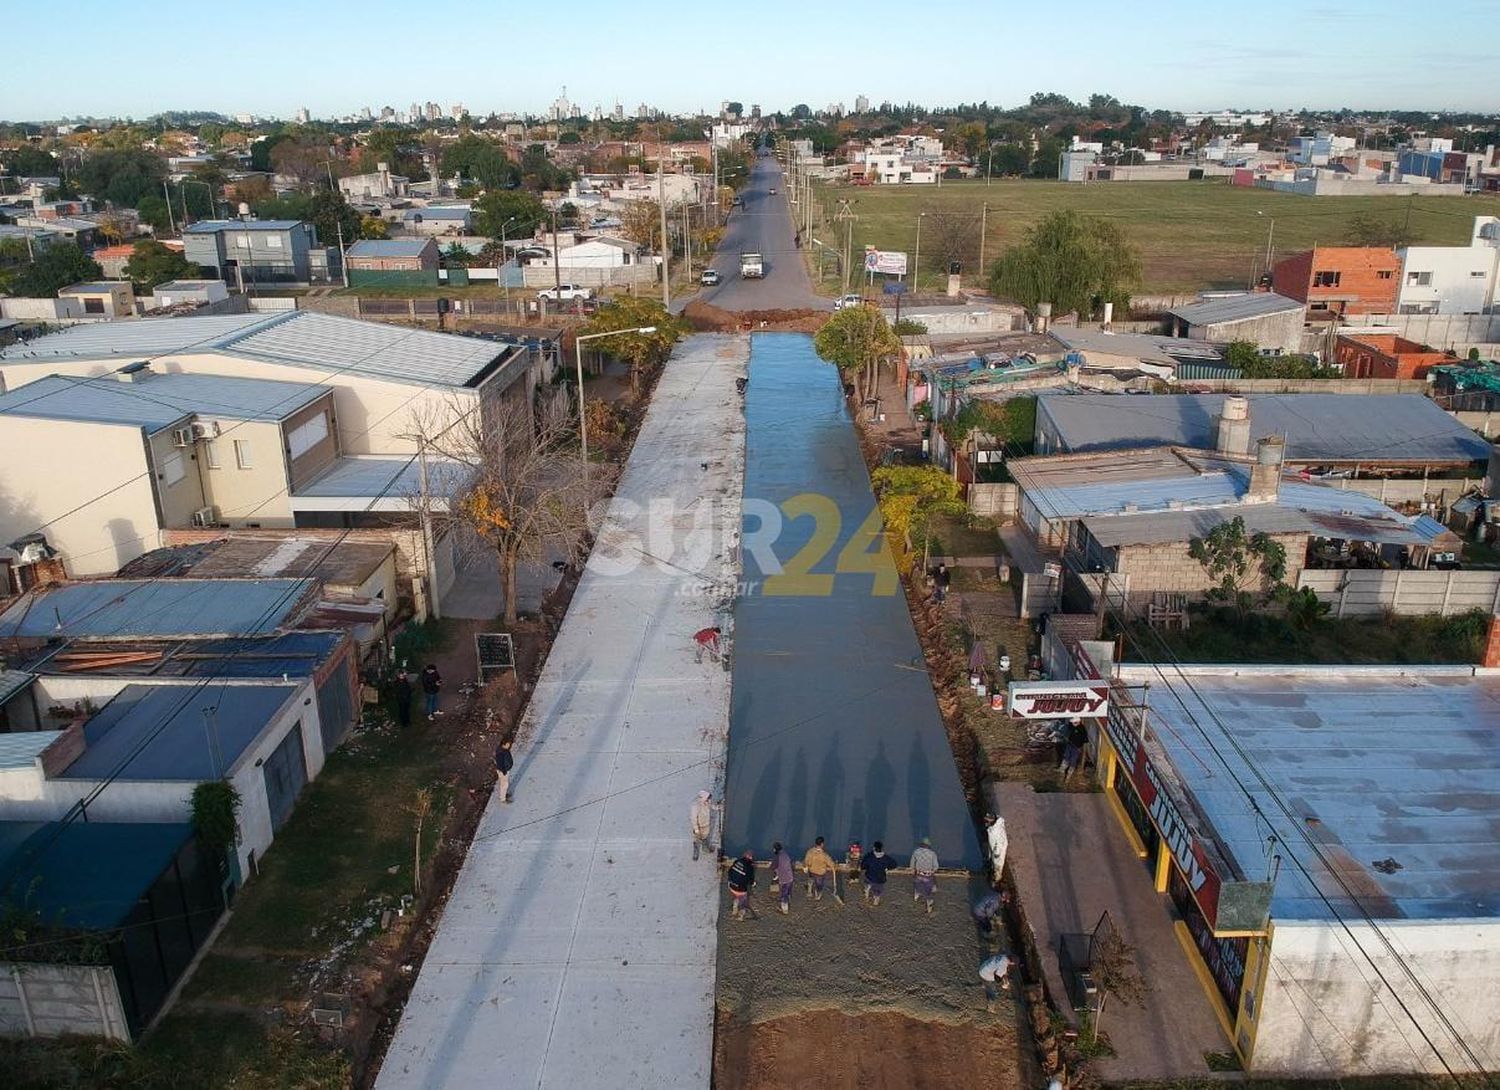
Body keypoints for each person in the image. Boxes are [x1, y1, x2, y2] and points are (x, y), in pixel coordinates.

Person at [910, 837, 940, 914]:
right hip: (928, 875)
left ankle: (917, 895)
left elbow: (912, 863)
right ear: (928, 846)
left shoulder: (916, 852)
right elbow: (936, 866)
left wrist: (913, 870)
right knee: (928, 890)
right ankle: (929, 903)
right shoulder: (932, 854)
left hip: (919, 873)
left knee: (917, 885)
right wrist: (932, 871)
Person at [801, 836, 836, 901]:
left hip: (811, 870)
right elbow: (831, 864)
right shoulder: (824, 855)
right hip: (820, 873)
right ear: (822, 844)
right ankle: (818, 895)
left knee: (810, 879)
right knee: (819, 885)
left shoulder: (810, 852)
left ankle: (809, 891)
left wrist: (805, 866)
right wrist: (833, 866)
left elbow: (806, 861)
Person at [727, 849, 756, 920]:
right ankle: (741, 915)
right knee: (743, 901)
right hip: (740, 890)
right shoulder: (750, 867)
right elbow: (750, 880)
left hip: (731, 886)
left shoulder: (737, 861)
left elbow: (730, 872)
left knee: (736, 896)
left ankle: (734, 908)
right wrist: (753, 883)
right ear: (751, 858)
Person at [861, 841, 892, 906]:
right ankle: (876, 899)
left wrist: (866, 867)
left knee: (867, 882)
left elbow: (863, 865)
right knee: (878, 889)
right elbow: (894, 864)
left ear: (874, 848)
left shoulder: (869, 856)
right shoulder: (886, 858)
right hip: (880, 878)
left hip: (870, 876)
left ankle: (867, 890)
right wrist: (887, 868)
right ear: (882, 848)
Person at [689, 790, 717, 860]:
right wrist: (696, 829)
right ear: (704, 798)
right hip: (699, 826)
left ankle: (705, 848)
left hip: (706, 825)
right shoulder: (695, 806)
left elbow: (711, 806)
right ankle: (695, 853)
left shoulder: (706, 802)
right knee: (697, 839)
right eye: (708, 798)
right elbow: (693, 818)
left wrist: (717, 807)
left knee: (705, 837)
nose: (709, 800)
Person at [985, 813, 1009, 886]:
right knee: (994, 863)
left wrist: (997, 853)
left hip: (998, 852)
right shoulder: (995, 827)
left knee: (997, 865)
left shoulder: (997, 830)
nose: (986, 823)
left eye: (987, 821)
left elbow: (1000, 842)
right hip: (994, 848)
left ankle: (997, 880)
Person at [771, 842, 795, 914]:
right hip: (790, 877)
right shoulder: (786, 855)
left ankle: (785, 910)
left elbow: (773, 867)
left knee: (783, 895)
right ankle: (788, 901)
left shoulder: (777, 857)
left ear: (775, 849)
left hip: (783, 879)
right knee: (788, 892)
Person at [494, 738, 514, 803]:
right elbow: (500, 764)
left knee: (504, 784)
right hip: (503, 771)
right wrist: (504, 771)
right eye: (508, 744)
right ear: (504, 744)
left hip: (505, 769)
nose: (509, 746)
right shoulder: (501, 752)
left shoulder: (504, 750)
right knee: (504, 784)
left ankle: (504, 795)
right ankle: (503, 799)